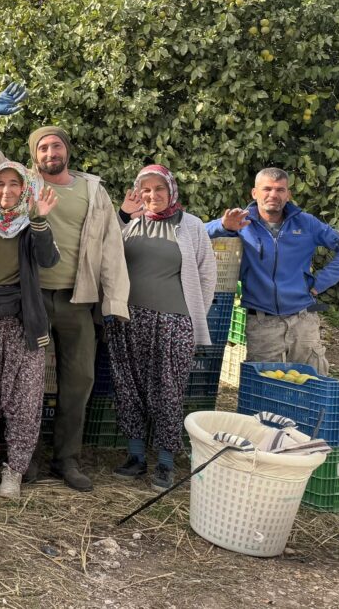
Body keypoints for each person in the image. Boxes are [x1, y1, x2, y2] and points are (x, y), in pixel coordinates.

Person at [0, 84, 129, 492]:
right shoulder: (21, 182)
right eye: (42, 149)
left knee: (78, 381)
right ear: (33, 154)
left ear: (67, 152)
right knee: (27, 384)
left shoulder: (92, 189)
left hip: (78, 300)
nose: (49, 155)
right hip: (30, 298)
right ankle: (27, 461)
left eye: (55, 147)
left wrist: (114, 302)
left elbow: (111, 245)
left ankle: (67, 459)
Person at [110, 165, 216, 491]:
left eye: (159, 189)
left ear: (171, 190)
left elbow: (206, 274)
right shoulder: (129, 224)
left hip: (172, 323)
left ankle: (166, 462)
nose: (152, 196)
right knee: (129, 388)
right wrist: (122, 216)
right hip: (127, 320)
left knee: (167, 391)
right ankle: (136, 455)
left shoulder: (191, 226)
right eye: (146, 189)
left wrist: (190, 313)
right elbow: (104, 249)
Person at [0, 161, 60, 499]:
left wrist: (41, 219)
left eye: (13, 183)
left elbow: (48, 260)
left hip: (22, 312)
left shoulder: (33, 222)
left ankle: (14, 470)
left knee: (24, 393)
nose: (6, 190)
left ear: (24, 187)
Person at [206, 168, 339, 375]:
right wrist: (222, 225)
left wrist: (319, 283)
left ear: (288, 194)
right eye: (267, 189)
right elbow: (198, 232)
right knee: (266, 389)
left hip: (303, 320)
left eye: (280, 190)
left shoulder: (306, 223)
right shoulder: (241, 223)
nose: (273, 195)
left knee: (311, 384)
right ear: (254, 193)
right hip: (262, 322)